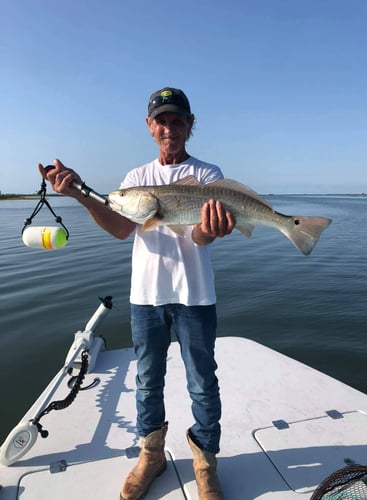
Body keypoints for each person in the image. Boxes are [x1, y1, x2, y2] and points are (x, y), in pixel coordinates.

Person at [39, 87, 235, 500]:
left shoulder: (207, 175)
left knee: (203, 383)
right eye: (161, 121)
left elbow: (200, 237)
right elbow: (121, 226)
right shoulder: (135, 181)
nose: (169, 128)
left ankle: (205, 462)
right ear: (150, 127)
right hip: (146, 298)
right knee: (147, 381)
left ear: (190, 125)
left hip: (195, 297)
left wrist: (208, 229)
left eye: (177, 120)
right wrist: (78, 193)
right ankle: (152, 454)